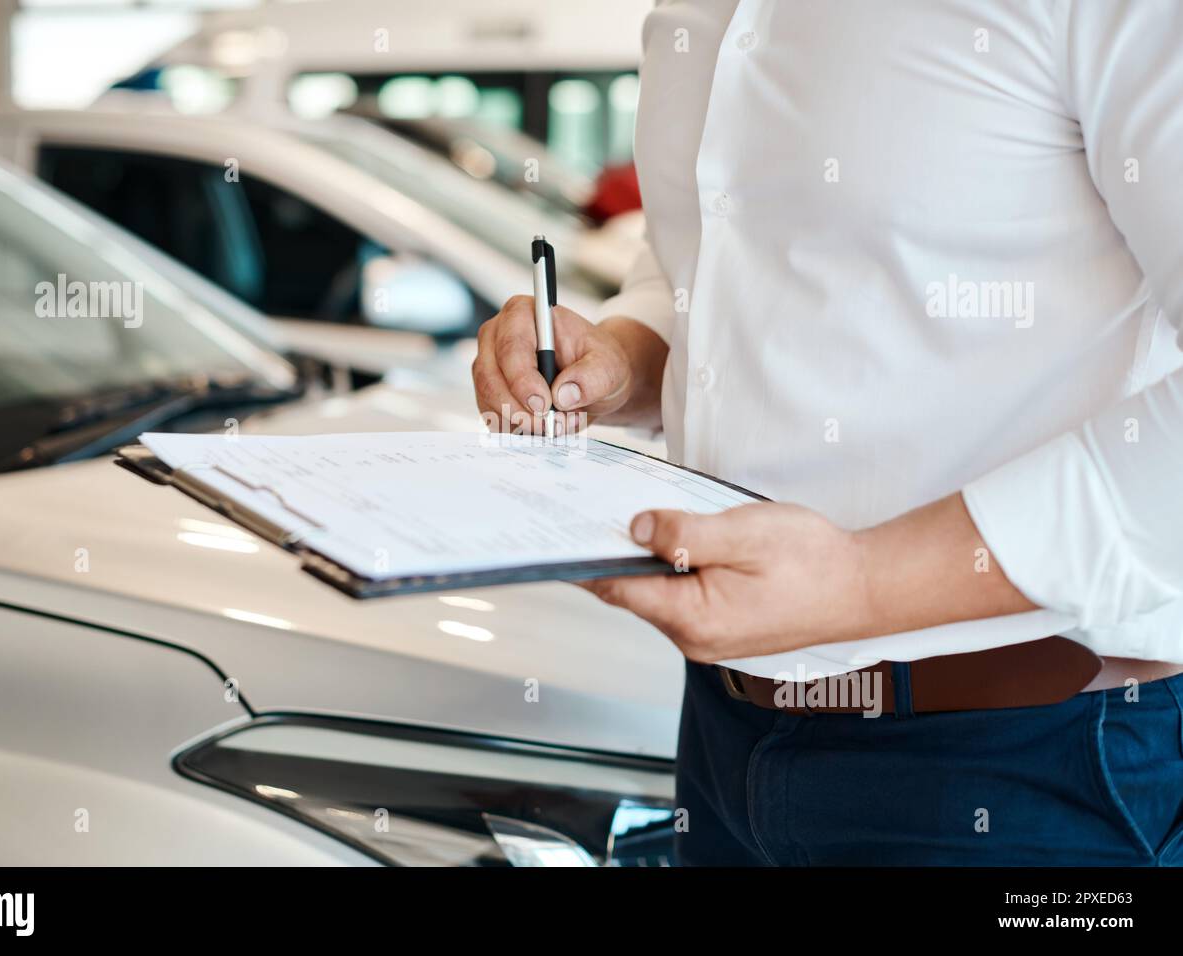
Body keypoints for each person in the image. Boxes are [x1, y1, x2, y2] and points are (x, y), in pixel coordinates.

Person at [471, 0, 1183, 865]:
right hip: (722, 737)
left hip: (1025, 765)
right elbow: (710, 253)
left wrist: (866, 586)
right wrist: (624, 354)